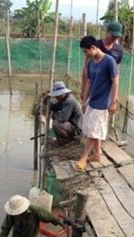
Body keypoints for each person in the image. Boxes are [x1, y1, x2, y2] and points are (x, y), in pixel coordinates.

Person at [75, 35, 119, 171]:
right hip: (92, 101)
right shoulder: (91, 63)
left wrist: (113, 102)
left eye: (86, 51)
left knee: (93, 131)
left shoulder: (109, 61)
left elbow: (115, 81)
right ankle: (97, 155)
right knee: (93, 128)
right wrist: (85, 101)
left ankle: (84, 157)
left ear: (93, 47)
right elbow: (89, 82)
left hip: (102, 103)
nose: (85, 54)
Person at [80, 21, 123, 101]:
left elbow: (116, 73)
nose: (114, 39)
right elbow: (86, 68)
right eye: (113, 36)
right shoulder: (96, 46)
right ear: (107, 31)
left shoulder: (119, 51)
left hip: (106, 91)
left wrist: (115, 95)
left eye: (117, 37)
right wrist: (84, 89)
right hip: (93, 87)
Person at [48, 81, 83, 146]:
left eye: (57, 95)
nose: (55, 97)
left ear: (62, 94)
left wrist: (54, 114)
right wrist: (46, 100)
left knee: (56, 124)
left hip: (76, 128)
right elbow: (54, 107)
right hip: (70, 125)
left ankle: (69, 141)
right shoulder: (63, 99)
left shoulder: (69, 101)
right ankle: (62, 143)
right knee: (56, 120)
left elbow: (63, 118)